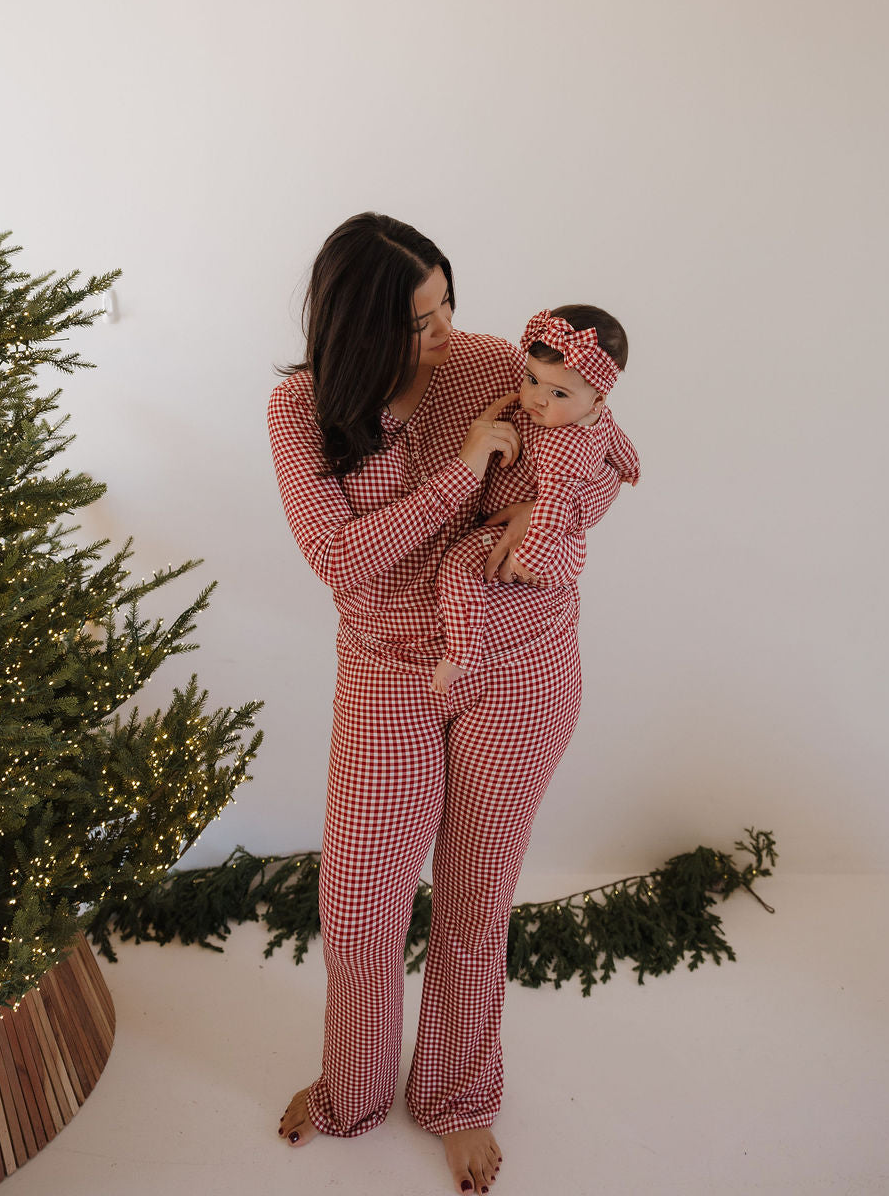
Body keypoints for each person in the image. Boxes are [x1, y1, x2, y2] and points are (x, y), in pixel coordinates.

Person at [267, 213, 630, 1195]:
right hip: (388, 669)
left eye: (447, 304)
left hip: (519, 658)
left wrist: (548, 519)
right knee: (356, 907)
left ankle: (458, 1098)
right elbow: (339, 558)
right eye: (420, 320)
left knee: (473, 899)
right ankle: (353, 1089)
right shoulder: (300, 410)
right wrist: (467, 470)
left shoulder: (486, 364)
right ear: (358, 329)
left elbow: (591, 447)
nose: (448, 333)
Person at [431, 305, 640, 697]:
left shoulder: (562, 444)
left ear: (597, 401)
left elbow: (553, 510)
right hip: (543, 538)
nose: (537, 399)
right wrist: (631, 469)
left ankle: (463, 652)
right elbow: (620, 448)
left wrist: (529, 557)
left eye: (558, 392)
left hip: (547, 544)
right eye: (531, 379)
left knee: (459, 566)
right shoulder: (583, 416)